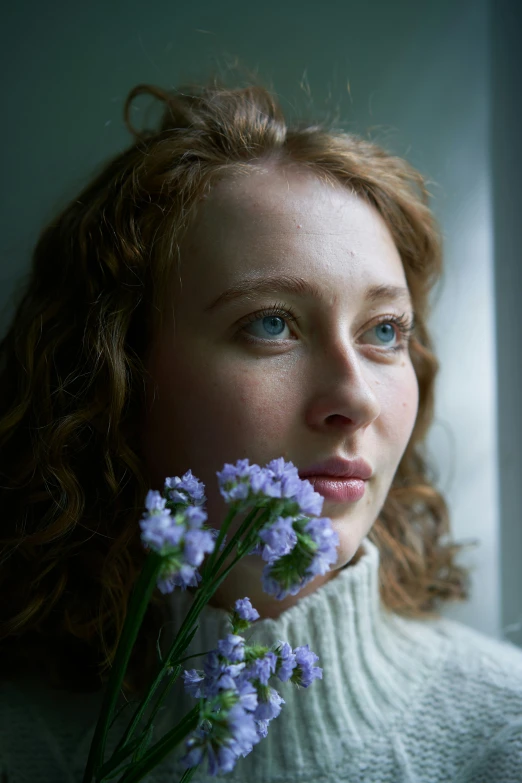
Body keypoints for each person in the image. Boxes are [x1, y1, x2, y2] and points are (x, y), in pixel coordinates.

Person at [1, 74, 521, 783]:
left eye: (384, 330)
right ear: (117, 374)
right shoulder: (22, 748)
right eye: (270, 323)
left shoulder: (504, 735)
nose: (355, 399)